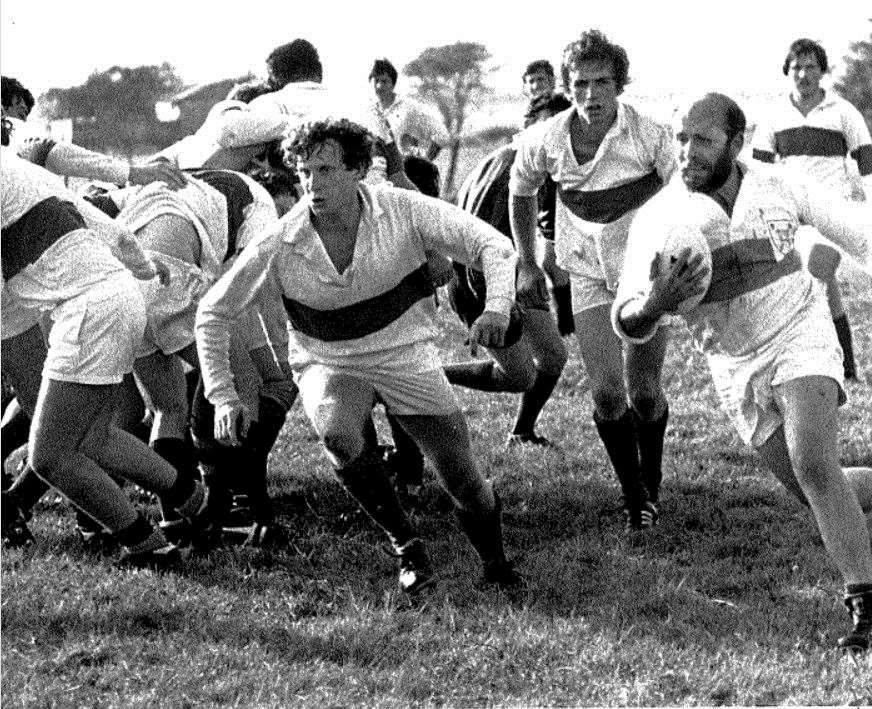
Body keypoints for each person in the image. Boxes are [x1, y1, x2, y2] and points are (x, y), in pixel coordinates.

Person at [196, 118, 522, 593]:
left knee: (462, 477)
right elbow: (212, 312)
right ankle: (407, 548)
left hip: (405, 355)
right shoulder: (279, 241)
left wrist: (496, 309)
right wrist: (224, 395)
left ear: (358, 170)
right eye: (304, 172)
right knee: (338, 434)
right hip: (329, 359)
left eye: (326, 170)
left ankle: (496, 564)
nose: (313, 183)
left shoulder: (405, 210)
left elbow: (493, 246)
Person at [612, 91, 872, 653]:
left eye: (702, 139)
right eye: (680, 138)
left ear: (735, 140)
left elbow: (858, 232)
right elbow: (628, 318)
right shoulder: (660, 218)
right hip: (732, 361)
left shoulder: (779, 185)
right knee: (815, 489)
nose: (687, 151)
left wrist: (829, 249)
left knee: (814, 463)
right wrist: (656, 303)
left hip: (801, 329)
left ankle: (865, 608)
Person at [1, 136, 208, 565]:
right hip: (118, 297)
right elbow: (111, 230)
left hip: (90, 311)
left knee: (50, 458)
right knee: (94, 438)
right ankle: (198, 506)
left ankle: (146, 546)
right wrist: (147, 268)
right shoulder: (20, 171)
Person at [509, 30, 676, 529]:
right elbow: (521, 192)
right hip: (585, 273)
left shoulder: (651, 134)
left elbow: (682, 194)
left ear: (619, 84)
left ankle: (654, 479)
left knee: (644, 392)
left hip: (646, 275)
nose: (590, 95)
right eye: (580, 83)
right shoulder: (544, 138)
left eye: (602, 82)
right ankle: (635, 498)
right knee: (607, 392)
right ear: (568, 85)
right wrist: (527, 260)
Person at [447, 93, 571, 447]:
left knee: (553, 355)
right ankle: (421, 381)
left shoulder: (523, 163)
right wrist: (498, 306)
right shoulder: (510, 171)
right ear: (529, 128)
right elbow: (485, 248)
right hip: (483, 284)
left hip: (507, 277)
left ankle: (522, 431)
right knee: (520, 376)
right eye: (547, 127)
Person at [752, 38, 872, 381]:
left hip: (829, 213)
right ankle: (843, 365)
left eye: (811, 68)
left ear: (823, 72)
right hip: (788, 214)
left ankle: (826, 361)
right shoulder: (774, 115)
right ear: (787, 72)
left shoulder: (843, 112)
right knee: (813, 283)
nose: (803, 75)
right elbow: (759, 173)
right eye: (796, 68)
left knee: (817, 270)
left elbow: (867, 166)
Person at [369, 58, 450, 161]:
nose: (379, 86)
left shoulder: (409, 107)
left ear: (393, 84)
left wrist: (425, 163)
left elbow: (441, 134)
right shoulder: (370, 112)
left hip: (403, 173)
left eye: (384, 81)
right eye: (376, 81)